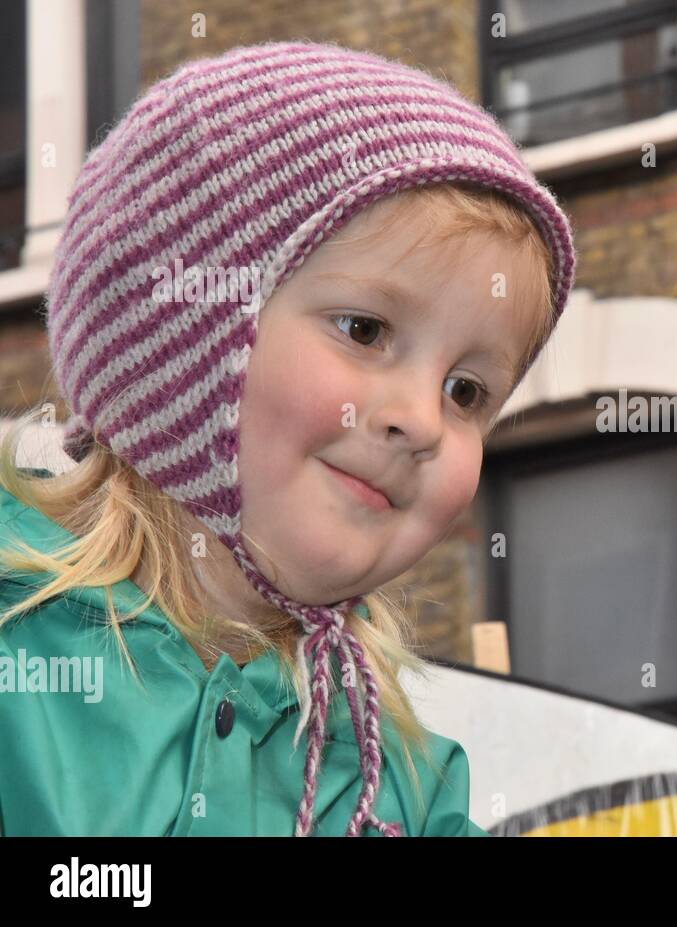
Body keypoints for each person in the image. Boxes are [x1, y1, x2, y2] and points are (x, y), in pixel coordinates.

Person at [0, 40, 576, 836]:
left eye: (467, 391)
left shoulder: (394, 788)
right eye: (365, 329)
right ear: (182, 338)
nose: (421, 419)